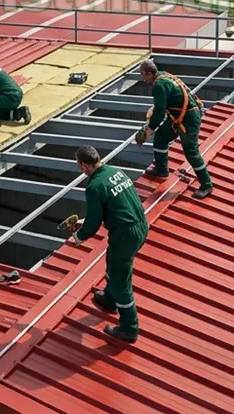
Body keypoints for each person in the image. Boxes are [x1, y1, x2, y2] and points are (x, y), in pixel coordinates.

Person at [68, 146, 149, 344]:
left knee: (121, 280)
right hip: (139, 225)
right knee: (112, 262)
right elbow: (116, 205)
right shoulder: (116, 172)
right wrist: (86, 221)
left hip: (125, 234)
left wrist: (79, 236)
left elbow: (95, 222)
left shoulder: (94, 186)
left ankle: (129, 328)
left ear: (84, 165)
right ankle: (110, 299)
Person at [138, 59, 214, 199]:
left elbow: (160, 111)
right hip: (178, 117)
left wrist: (150, 128)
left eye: (143, 75)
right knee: (161, 137)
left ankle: (207, 184)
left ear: (149, 73)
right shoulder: (164, 75)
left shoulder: (159, 85)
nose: (142, 78)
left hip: (189, 120)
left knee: (191, 152)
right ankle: (161, 169)